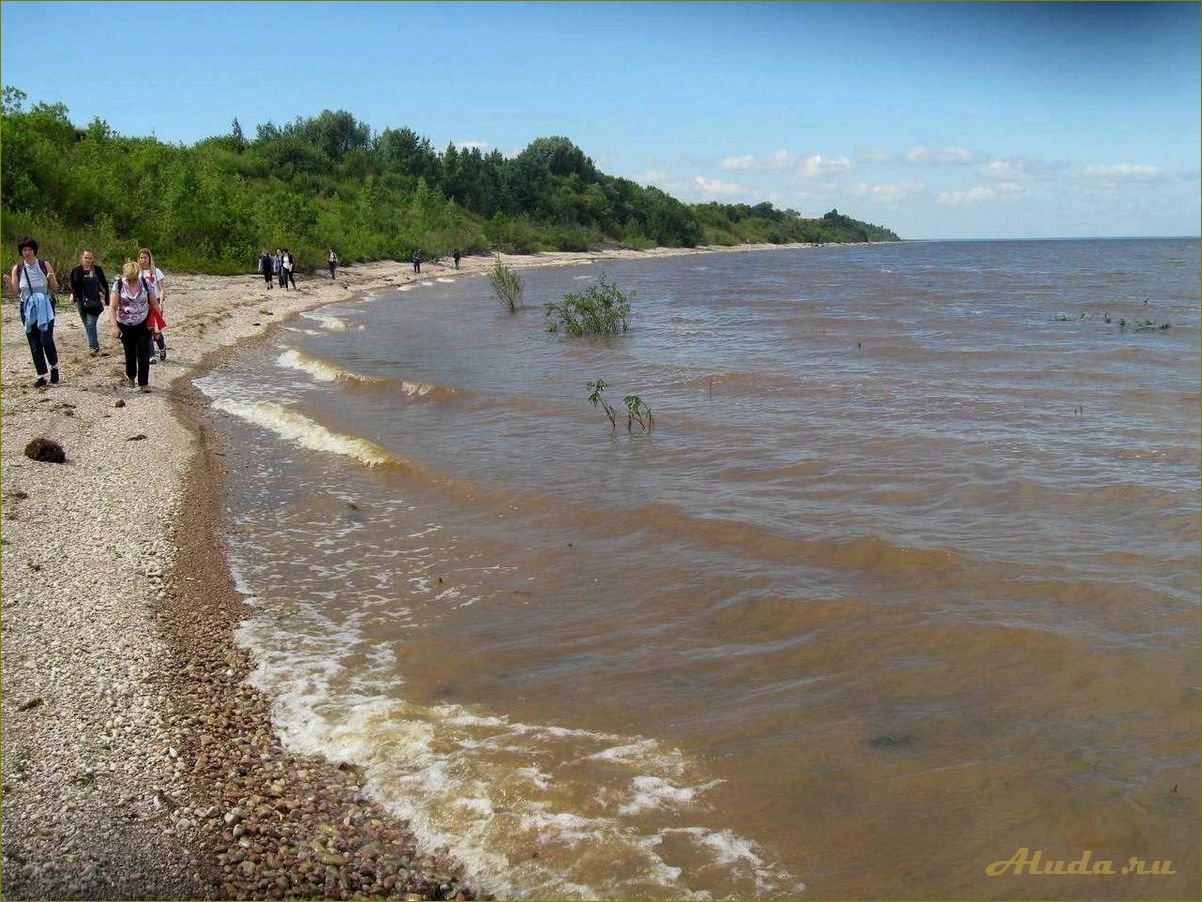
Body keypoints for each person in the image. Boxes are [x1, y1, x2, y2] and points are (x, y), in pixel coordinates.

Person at [10, 237, 60, 387]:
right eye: (24, 250)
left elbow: (55, 287)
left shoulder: (44, 264)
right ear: (21, 252)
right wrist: (8, 282)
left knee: (46, 339)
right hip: (27, 306)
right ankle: (41, 375)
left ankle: (54, 366)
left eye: (30, 249)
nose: (27, 252)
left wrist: (50, 278)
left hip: (45, 304)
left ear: (34, 250)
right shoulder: (17, 269)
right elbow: (15, 291)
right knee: (34, 342)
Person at [110, 259, 161, 392]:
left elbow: (154, 304)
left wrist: (157, 325)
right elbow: (113, 307)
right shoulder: (118, 285)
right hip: (125, 324)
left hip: (143, 322)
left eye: (134, 278)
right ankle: (131, 377)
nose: (132, 281)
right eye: (129, 278)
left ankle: (143, 383)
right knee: (130, 352)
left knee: (144, 352)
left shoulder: (146, 283)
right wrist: (114, 326)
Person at [68, 250, 110, 355]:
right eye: (86, 258)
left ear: (93, 259)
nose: (88, 260)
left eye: (90, 258)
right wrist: (73, 294)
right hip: (81, 301)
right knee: (87, 324)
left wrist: (106, 296)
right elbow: (72, 284)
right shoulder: (76, 271)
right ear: (82, 258)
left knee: (91, 324)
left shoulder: (97, 270)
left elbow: (104, 284)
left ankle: (93, 347)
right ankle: (95, 344)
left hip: (94, 301)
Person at [137, 248, 167, 363]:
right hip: (143, 303)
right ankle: (151, 355)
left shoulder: (156, 272)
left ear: (149, 258)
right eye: (141, 258)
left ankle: (162, 348)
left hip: (156, 303)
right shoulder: (138, 273)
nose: (143, 260)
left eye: (145, 257)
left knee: (156, 329)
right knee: (146, 329)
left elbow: (162, 289)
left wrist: (160, 303)